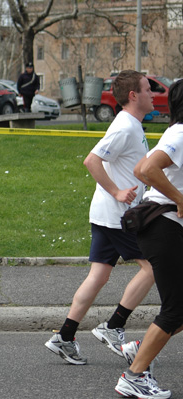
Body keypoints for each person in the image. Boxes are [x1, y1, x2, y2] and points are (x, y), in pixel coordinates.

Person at [45, 70, 156, 365]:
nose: (152, 94)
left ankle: (64, 337)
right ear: (133, 96)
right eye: (147, 89)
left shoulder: (132, 125)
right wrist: (118, 192)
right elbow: (92, 160)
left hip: (106, 214)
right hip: (119, 215)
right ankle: (114, 326)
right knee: (153, 267)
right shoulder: (125, 127)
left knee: (99, 276)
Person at [113, 79, 183, 399]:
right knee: (176, 307)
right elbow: (148, 169)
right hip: (164, 227)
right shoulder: (182, 133)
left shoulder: (175, 131)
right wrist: (180, 198)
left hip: (164, 227)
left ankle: (142, 347)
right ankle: (134, 376)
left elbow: (142, 167)